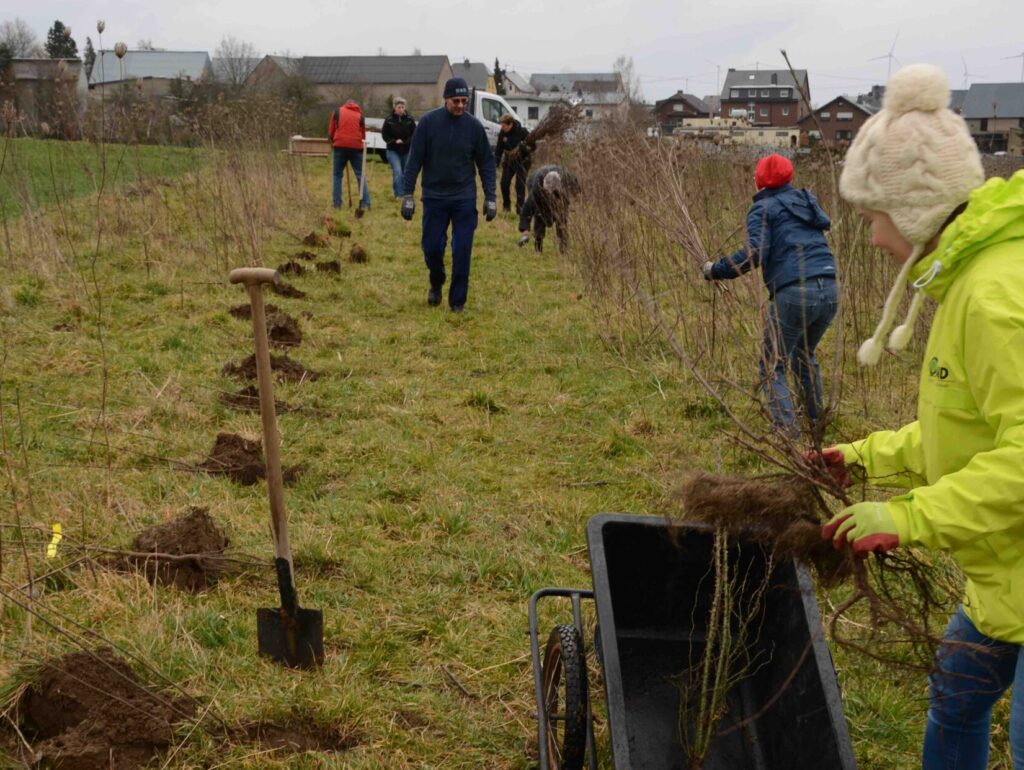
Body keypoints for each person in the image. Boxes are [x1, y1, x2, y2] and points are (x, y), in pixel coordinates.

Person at [818, 64, 1024, 770]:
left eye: (875, 217)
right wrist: (868, 455)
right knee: (956, 698)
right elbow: (965, 423)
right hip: (1008, 577)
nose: (873, 238)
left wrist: (908, 516)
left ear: (914, 209)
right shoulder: (968, 279)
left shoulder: (994, 296)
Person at [702, 153, 837, 438]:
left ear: (760, 180)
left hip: (795, 291)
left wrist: (717, 269)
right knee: (803, 353)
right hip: (830, 286)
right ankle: (816, 423)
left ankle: (788, 436)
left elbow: (754, 254)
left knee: (771, 365)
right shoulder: (806, 201)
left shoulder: (763, 208)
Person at [400, 77, 497, 313]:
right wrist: (408, 194)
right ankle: (436, 280)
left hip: (464, 197)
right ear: (446, 99)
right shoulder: (428, 123)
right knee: (432, 247)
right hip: (434, 196)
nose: (461, 105)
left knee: (462, 249)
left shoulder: (474, 127)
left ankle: (457, 302)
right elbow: (414, 160)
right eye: (456, 101)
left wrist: (491, 197)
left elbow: (486, 163)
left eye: (464, 101)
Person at [517, 165, 577, 254]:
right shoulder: (536, 187)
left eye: (551, 192)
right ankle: (538, 248)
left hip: (561, 193)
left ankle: (564, 250)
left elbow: (576, 190)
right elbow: (526, 210)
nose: (549, 194)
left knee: (562, 220)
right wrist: (525, 232)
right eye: (547, 192)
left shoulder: (567, 178)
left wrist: (573, 200)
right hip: (536, 184)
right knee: (539, 216)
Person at [329, 99, 370, 211]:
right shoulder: (360, 116)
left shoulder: (337, 112)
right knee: (360, 175)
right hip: (356, 147)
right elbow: (363, 136)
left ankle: (337, 204)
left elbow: (331, 132)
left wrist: (334, 141)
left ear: (345, 104)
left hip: (340, 146)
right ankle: (366, 203)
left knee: (337, 175)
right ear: (356, 105)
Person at [494, 113, 531, 214]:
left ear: (510, 124)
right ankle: (506, 206)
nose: (502, 128)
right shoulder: (503, 133)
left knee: (519, 185)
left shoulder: (522, 132)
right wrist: (495, 164)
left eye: (504, 126)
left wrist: (525, 149)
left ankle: (520, 208)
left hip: (523, 161)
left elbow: (533, 146)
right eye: (501, 125)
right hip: (509, 161)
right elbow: (498, 150)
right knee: (504, 183)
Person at [382, 97, 416, 198]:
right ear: (395, 108)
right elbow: (384, 135)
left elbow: (414, 134)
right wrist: (394, 141)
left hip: (406, 150)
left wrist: (405, 141)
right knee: (398, 171)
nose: (401, 109)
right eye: (399, 107)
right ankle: (399, 194)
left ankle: (406, 193)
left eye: (403, 107)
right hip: (393, 150)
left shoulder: (410, 119)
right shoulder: (389, 120)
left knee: (406, 172)